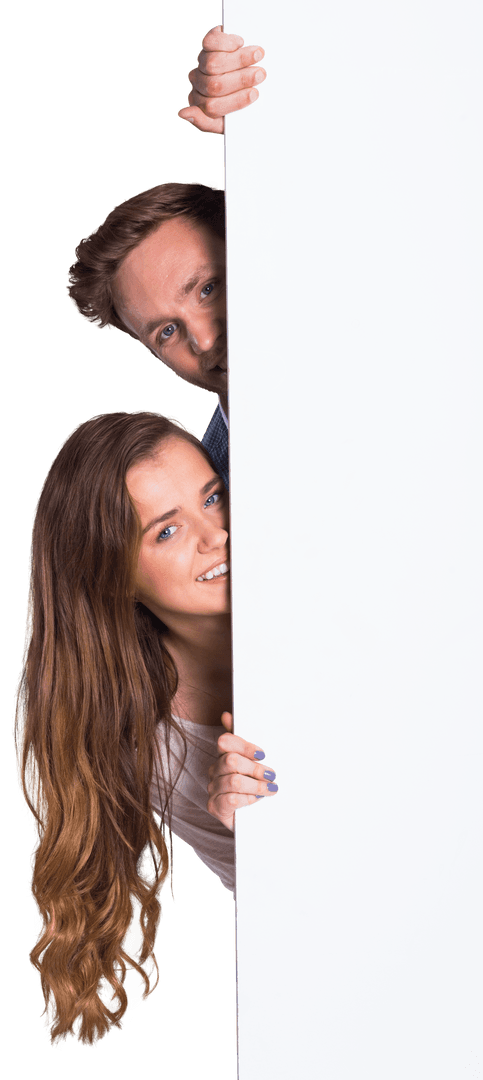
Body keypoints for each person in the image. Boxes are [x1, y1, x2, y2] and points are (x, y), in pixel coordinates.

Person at [14, 410, 278, 1048]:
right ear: (114, 576)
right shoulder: (149, 745)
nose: (217, 534)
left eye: (213, 497)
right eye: (167, 531)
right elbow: (270, 930)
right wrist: (264, 841)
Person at [66, 27, 267, 490]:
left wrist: (261, 123)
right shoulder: (212, 501)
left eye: (208, 288)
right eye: (167, 332)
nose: (205, 339)